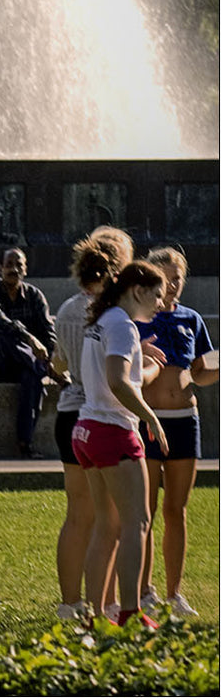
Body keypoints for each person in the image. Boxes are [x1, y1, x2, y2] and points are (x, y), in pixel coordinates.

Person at [73, 259, 169, 626]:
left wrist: (148, 365)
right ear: (138, 290)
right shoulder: (123, 326)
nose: (161, 303)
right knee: (137, 523)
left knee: (106, 526)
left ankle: (94, 615)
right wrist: (150, 416)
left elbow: (122, 378)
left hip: (86, 430)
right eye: (157, 294)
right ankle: (130, 611)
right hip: (114, 431)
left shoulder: (103, 320)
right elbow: (117, 382)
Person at [52, 227, 134, 620]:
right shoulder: (110, 312)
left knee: (77, 514)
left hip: (68, 415)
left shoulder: (67, 308)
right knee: (111, 520)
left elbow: (59, 363)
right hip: (99, 415)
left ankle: (70, 604)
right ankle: (107, 602)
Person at [136, 247, 218, 618]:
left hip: (185, 419)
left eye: (177, 277)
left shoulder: (191, 318)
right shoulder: (136, 317)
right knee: (145, 511)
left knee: (176, 510)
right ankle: (144, 590)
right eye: (165, 277)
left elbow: (200, 372)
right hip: (149, 421)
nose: (171, 284)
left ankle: (174, 593)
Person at [0, 247, 61, 457]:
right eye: (9, 265)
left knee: (32, 379)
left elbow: (48, 330)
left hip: (26, 365)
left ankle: (25, 444)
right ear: (0, 268)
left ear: (25, 269)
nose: (14, 269)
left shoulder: (35, 296)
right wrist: (30, 339)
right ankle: (44, 369)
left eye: (19, 265)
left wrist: (49, 350)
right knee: (3, 335)